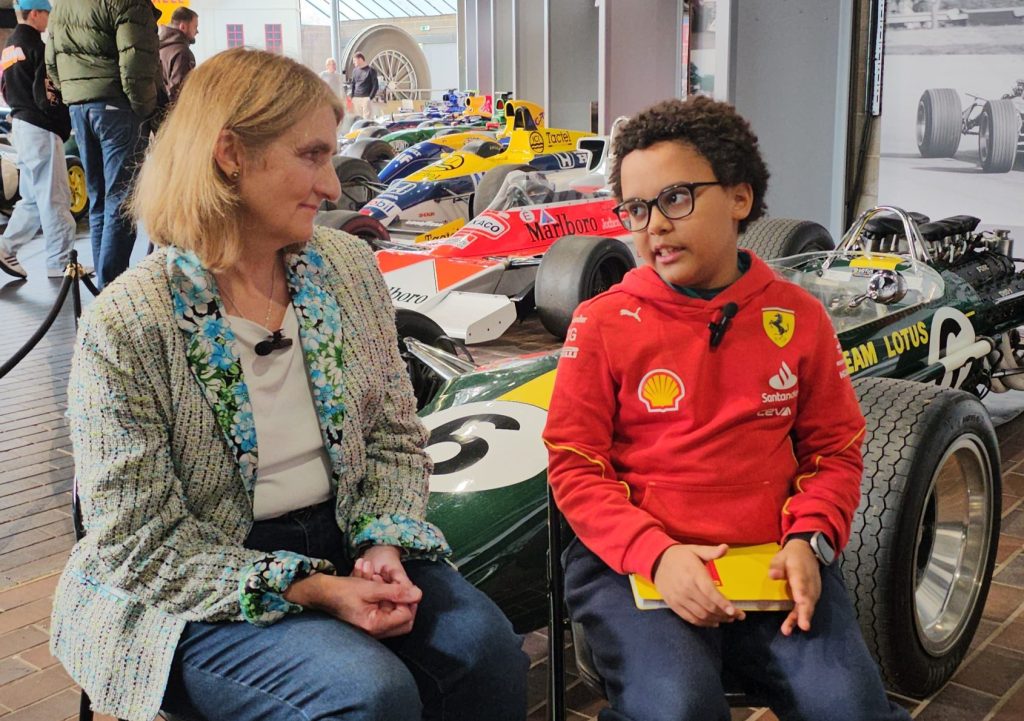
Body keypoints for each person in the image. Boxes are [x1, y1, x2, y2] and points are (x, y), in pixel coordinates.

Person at [51, 47, 528, 721]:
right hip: (190, 587)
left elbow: (393, 433)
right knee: (367, 692)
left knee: (487, 652)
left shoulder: (346, 266)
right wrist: (313, 588)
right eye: (312, 156)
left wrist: (382, 542)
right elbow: (139, 543)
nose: (333, 187)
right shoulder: (128, 322)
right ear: (230, 155)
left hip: (344, 537)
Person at [542, 96, 911, 721]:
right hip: (632, 562)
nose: (653, 224)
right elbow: (575, 466)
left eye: (676, 198)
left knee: (848, 707)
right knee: (678, 707)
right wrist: (656, 556)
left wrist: (812, 542)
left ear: (740, 199)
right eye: (636, 208)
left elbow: (836, 451)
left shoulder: (798, 317)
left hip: (772, 555)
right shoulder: (602, 322)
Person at [45, 0, 158, 289]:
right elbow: (136, 60)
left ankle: (105, 292)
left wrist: (74, 92)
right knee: (121, 200)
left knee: (99, 201)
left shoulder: (62, 5)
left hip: (80, 108)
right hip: (117, 105)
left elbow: (51, 61)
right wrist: (143, 109)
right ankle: (113, 288)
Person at [0, 0, 80, 281]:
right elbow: (47, 95)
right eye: (46, 13)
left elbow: (6, 90)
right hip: (40, 129)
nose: (48, 19)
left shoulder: (9, 47)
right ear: (35, 13)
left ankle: (5, 246)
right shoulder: (38, 47)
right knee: (55, 197)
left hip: (20, 126)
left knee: (33, 198)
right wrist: (61, 123)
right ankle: (60, 264)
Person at [158, 6, 199, 106]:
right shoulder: (183, 53)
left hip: (155, 112)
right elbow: (178, 94)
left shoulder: (158, 47)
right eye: (195, 27)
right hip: (172, 115)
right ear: (183, 27)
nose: (197, 32)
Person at [349, 52, 379, 119]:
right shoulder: (354, 71)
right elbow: (353, 84)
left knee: (366, 119)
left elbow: (375, 85)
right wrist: (352, 97)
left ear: (360, 59)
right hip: (356, 98)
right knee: (358, 119)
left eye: (354, 60)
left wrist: (370, 98)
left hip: (366, 98)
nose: (353, 63)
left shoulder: (371, 70)